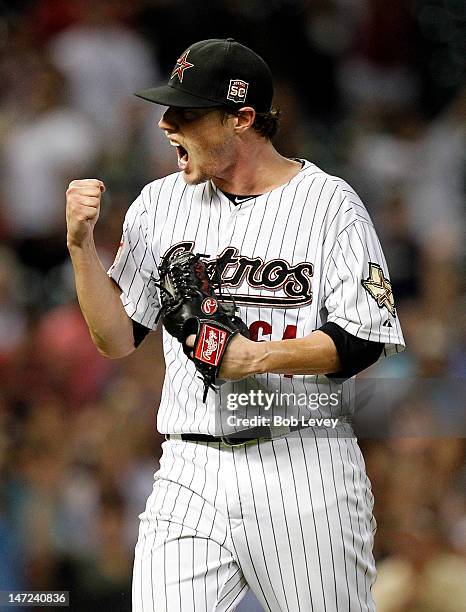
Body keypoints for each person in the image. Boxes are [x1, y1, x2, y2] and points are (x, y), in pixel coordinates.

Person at [66, 38, 405, 612]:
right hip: (189, 466)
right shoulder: (159, 204)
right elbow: (117, 338)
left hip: (303, 463)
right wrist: (80, 248)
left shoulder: (329, 205)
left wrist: (254, 357)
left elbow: (364, 337)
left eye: (187, 113)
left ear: (242, 118)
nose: (167, 124)